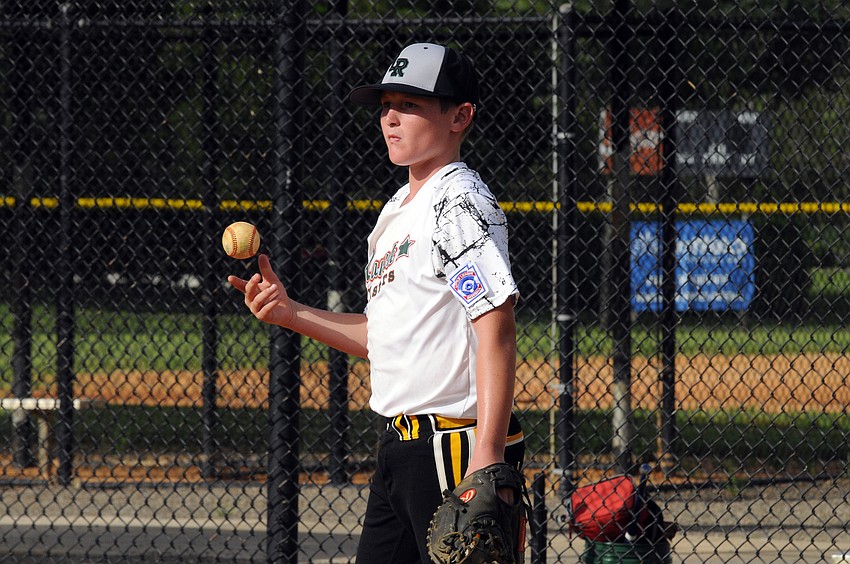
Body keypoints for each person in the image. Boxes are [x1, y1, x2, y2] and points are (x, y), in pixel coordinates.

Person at [228, 42, 524, 563]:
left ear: (460, 116)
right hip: (400, 447)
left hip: (455, 444)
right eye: (387, 104)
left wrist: (488, 454)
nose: (390, 117)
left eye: (410, 104)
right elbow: (384, 337)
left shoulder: (457, 201)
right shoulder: (398, 210)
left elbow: (495, 325)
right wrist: (291, 313)